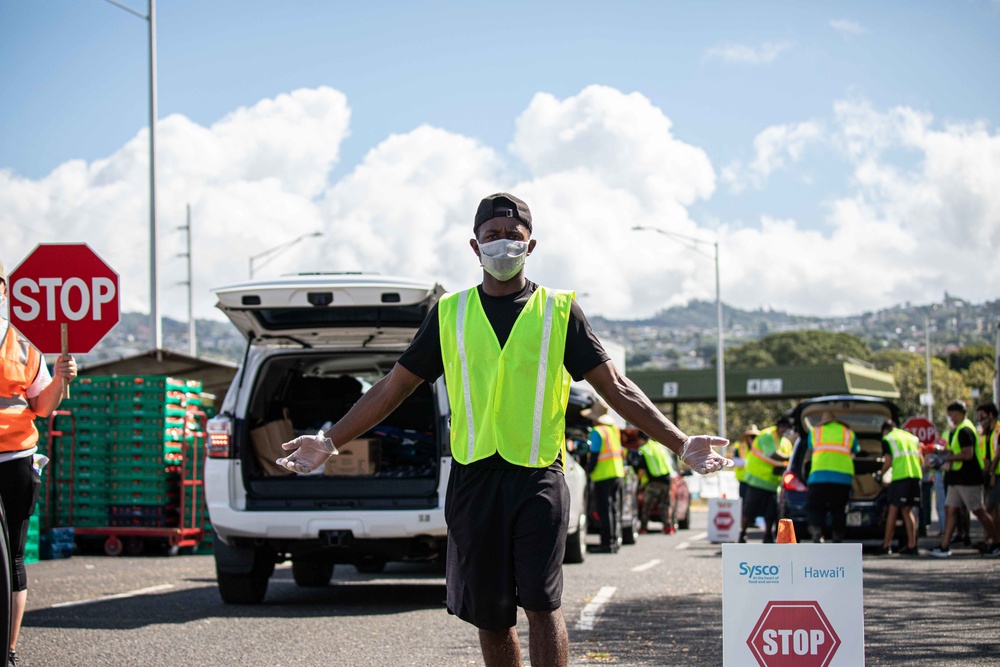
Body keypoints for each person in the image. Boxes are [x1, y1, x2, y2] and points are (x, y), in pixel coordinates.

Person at [274, 192, 732, 667]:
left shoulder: (559, 311)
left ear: (531, 246)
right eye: (492, 236)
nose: (503, 245)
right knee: (491, 618)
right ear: (475, 247)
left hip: (537, 477)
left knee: (541, 603)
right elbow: (392, 387)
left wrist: (680, 441)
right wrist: (330, 442)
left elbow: (614, 386)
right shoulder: (449, 314)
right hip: (474, 480)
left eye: (514, 236)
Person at [0, 259, 78, 667]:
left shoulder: (24, 346)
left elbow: (43, 406)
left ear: (4, 290)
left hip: (14, 456)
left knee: (13, 554)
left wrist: (61, 379)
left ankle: (8, 648)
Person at [927, 401, 1000, 557]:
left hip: (969, 478)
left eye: (951, 414)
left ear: (959, 413)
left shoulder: (965, 430)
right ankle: (944, 546)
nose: (950, 418)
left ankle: (996, 542)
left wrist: (947, 458)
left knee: (979, 511)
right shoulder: (956, 430)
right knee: (950, 510)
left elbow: (968, 454)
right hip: (956, 478)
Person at [804, 412, 859, 543]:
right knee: (839, 508)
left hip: (819, 476)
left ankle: (817, 531)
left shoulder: (815, 432)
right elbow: (855, 450)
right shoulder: (848, 433)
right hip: (842, 478)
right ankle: (837, 534)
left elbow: (811, 448)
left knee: (815, 506)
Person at [737, 416, 792, 543]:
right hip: (757, 480)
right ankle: (742, 533)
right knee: (750, 510)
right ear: (779, 426)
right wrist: (790, 458)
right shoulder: (767, 435)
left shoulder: (786, 442)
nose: (785, 430)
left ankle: (768, 534)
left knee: (771, 512)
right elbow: (772, 454)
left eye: (788, 428)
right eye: (784, 427)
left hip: (772, 483)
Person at [874, 420, 923, 555]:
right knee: (907, 511)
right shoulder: (912, 438)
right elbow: (921, 460)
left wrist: (880, 474)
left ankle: (886, 545)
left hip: (901, 478)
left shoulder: (888, 438)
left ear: (885, 430)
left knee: (893, 510)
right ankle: (912, 545)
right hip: (915, 476)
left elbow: (888, 461)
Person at [584, 399, 625, 552]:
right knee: (614, 509)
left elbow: (594, 455)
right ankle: (614, 541)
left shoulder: (597, 432)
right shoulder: (613, 429)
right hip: (617, 473)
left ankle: (606, 543)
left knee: (604, 510)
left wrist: (589, 471)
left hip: (603, 475)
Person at [635, 432, 676, 534]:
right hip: (667, 479)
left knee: (647, 506)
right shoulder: (660, 446)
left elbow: (642, 470)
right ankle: (668, 528)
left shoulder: (644, 449)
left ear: (641, 439)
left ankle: (643, 528)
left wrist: (639, 484)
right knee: (665, 506)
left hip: (654, 481)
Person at [976, 402, 1000, 533]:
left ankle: (990, 540)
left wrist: (991, 473)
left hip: (996, 473)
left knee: (990, 508)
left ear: (991, 414)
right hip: (987, 474)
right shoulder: (984, 432)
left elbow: (997, 454)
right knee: (993, 509)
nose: (980, 418)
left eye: (982, 415)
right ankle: (993, 540)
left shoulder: (998, 430)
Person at [732, 424, 760, 502]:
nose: (752, 438)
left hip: (756, 479)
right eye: (751, 436)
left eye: (754, 436)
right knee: (743, 501)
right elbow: (735, 460)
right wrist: (748, 463)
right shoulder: (740, 446)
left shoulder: (760, 446)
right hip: (743, 479)